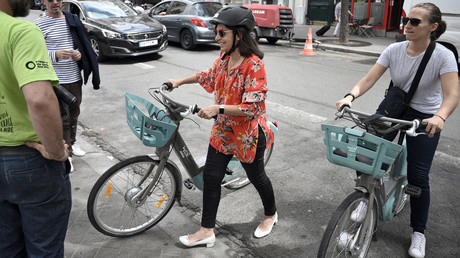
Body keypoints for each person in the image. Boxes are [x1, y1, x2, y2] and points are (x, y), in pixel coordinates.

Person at [336, 3, 458, 258]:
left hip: (426, 117)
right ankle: (365, 197)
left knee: (418, 176)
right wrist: (350, 95)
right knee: (366, 155)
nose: (408, 25)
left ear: (433, 27)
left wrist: (440, 116)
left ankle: (419, 232)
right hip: (394, 107)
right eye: (406, 20)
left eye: (415, 21)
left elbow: (452, 94)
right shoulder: (394, 49)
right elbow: (370, 78)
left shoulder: (443, 55)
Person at [168, 6, 277, 247]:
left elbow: (253, 108)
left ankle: (271, 214)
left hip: (247, 135)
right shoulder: (225, 58)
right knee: (211, 177)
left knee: (257, 177)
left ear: (239, 34)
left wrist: (217, 109)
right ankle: (207, 231)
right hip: (223, 132)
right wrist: (179, 81)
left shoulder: (254, 65)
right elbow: (206, 76)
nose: (217, 37)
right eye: (216, 33)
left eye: (222, 33)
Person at [0, 0, 72, 256]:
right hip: (27, 160)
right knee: (44, 250)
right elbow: (40, 99)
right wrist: (56, 151)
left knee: (7, 248)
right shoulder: (20, 30)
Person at [36, 0, 100, 171]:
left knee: (74, 114)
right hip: (56, 81)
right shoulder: (39, 24)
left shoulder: (71, 20)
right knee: (62, 120)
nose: (55, 2)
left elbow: (81, 43)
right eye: (50, 0)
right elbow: (35, 54)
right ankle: (66, 154)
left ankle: (71, 144)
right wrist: (55, 54)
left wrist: (79, 53)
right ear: (43, 1)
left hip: (74, 77)